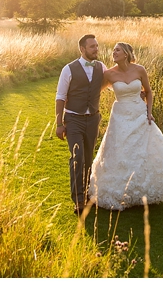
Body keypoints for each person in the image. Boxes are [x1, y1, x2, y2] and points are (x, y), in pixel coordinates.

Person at [88, 42, 163, 211]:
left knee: (141, 151)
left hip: (139, 112)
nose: (114, 53)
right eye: (113, 50)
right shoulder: (109, 74)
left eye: (117, 50)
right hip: (120, 115)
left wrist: (149, 112)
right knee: (121, 151)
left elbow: (148, 91)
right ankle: (119, 192)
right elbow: (95, 94)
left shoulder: (139, 70)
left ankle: (142, 189)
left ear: (126, 54)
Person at [55, 34, 105, 214]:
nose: (96, 49)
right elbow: (60, 97)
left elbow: (115, 83)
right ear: (82, 49)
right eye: (92, 47)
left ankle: (87, 193)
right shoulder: (68, 69)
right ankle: (78, 200)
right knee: (77, 157)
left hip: (93, 119)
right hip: (73, 119)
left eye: (97, 46)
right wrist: (59, 124)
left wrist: (135, 93)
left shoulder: (101, 67)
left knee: (89, 158)